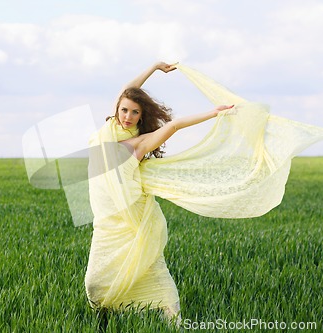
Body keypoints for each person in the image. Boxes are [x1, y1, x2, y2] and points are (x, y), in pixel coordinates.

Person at [84, 62, 231, 327]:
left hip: (134, 220)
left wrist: (213, 113)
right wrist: (154, 67)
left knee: (151, 266)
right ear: (117, 109)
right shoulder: (106, 135)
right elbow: (130, 88)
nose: (127, 116)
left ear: (141, 116)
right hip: (106, 222)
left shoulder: (139, 143)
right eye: (124, 110)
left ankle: (174, 319)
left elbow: (174, 126)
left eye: (134, 112)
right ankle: (104, 319)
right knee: (95, 281)